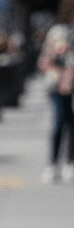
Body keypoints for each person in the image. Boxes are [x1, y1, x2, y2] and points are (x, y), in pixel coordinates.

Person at [38, 24, 74, 184]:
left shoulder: (70, 53)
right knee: (60, 122)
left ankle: (69, 162)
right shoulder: (50, 51)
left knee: (71, 123)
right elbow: (44, 65)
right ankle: (53, 164)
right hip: (56, 90)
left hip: (69, 90)